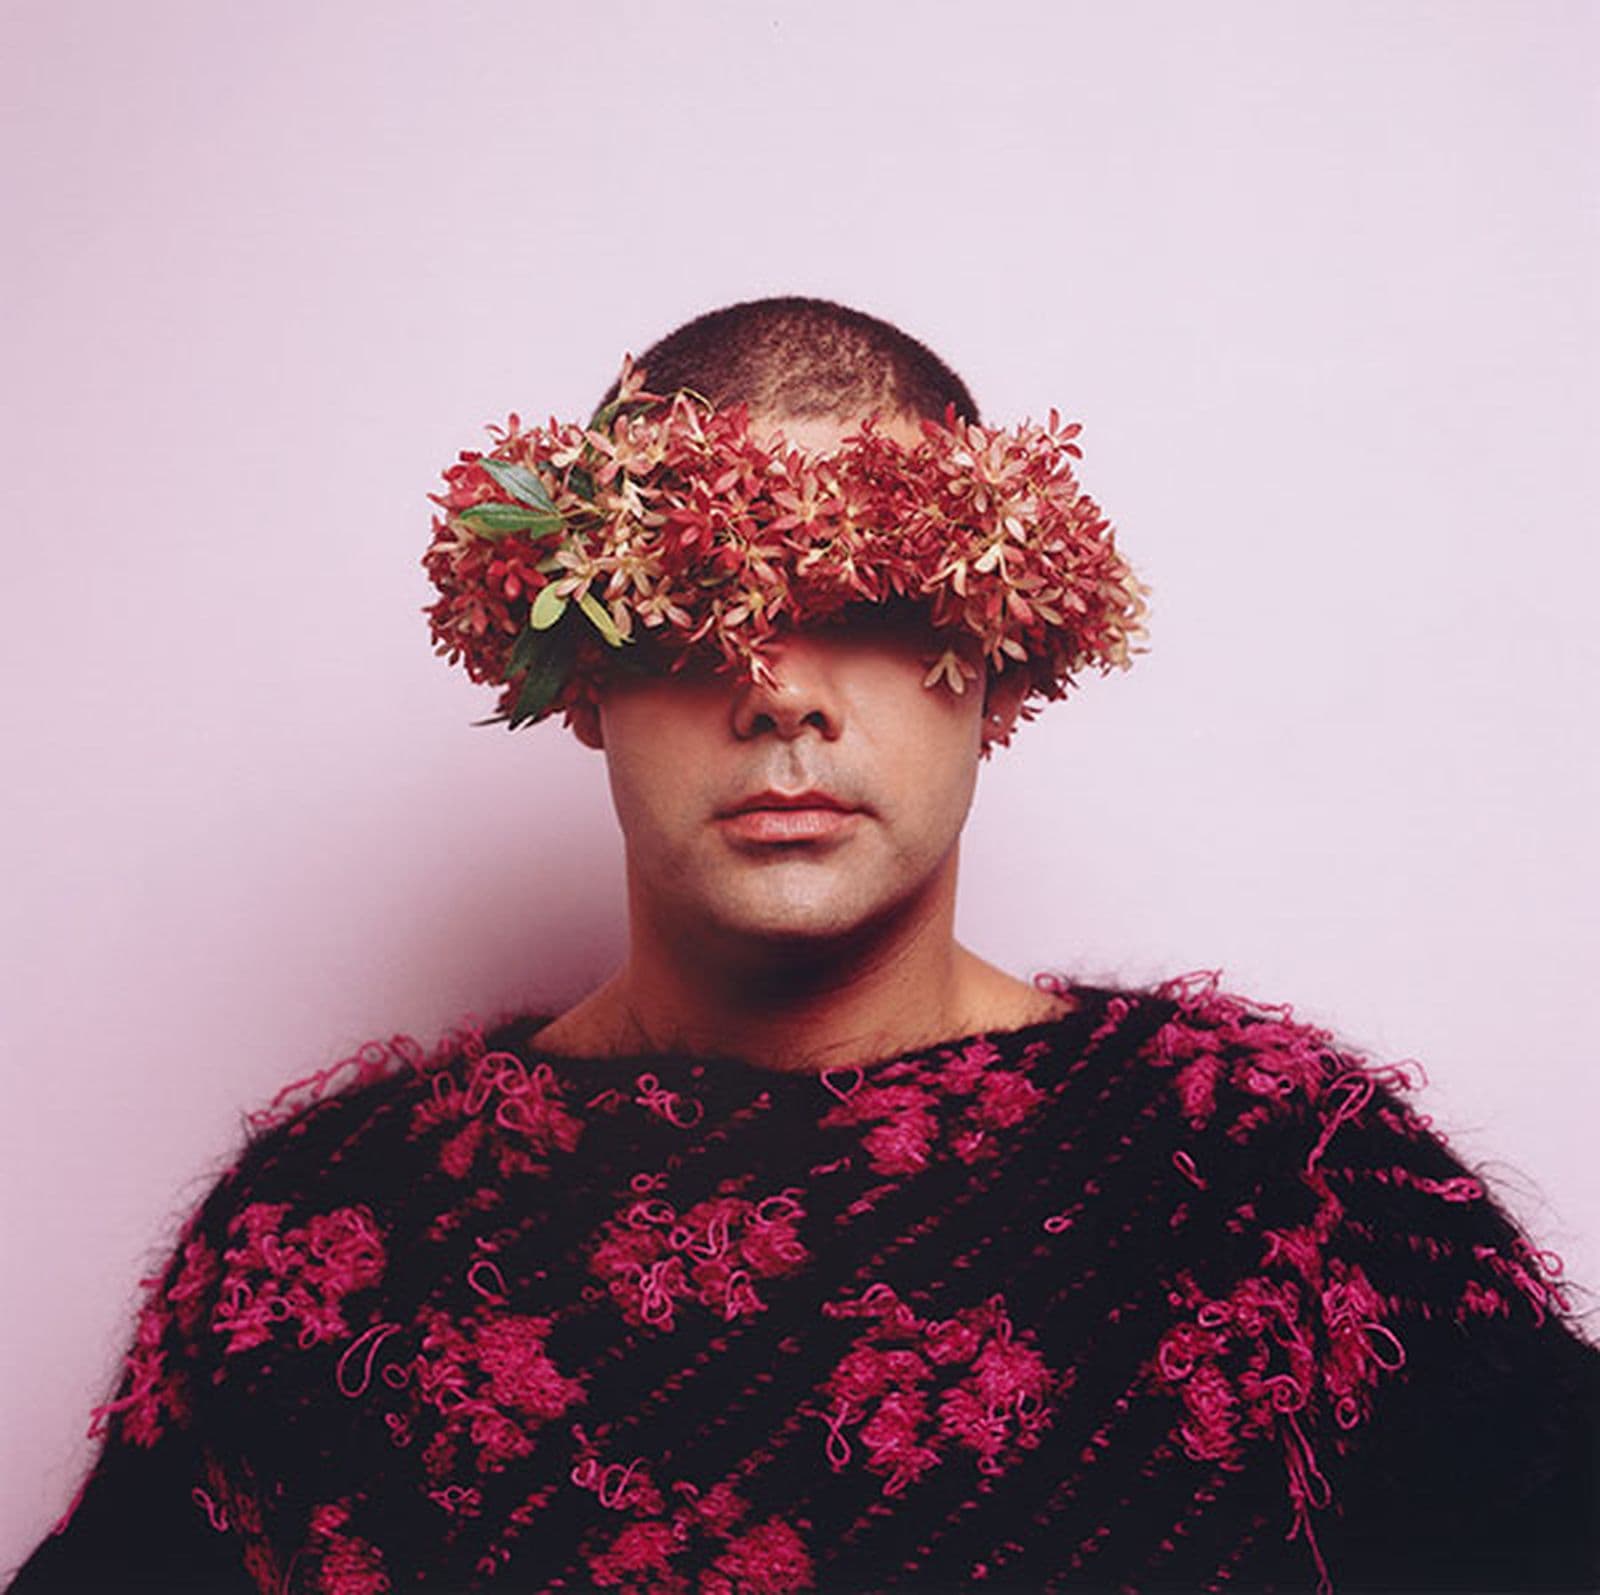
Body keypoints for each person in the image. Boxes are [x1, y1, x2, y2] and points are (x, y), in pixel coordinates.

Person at [11, 297, 1595, 1593]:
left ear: (995, 654)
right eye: (695, 600)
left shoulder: (1262, 1177)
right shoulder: (328, 1238)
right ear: (582, 682)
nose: (780, 689)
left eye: (873, 601)